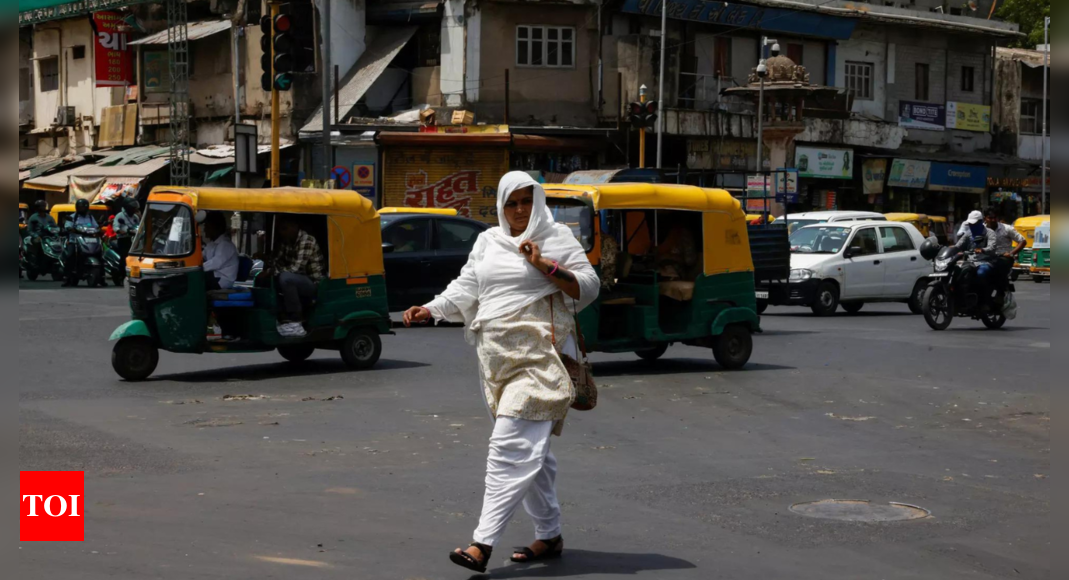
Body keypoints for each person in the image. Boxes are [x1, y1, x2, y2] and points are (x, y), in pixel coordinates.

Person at [403, 172, 599, 575]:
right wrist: (432, 309)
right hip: (495, 358)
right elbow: (468, 286)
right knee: (534, 451)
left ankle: (482, 543)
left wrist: (544, 265)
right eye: (512, 202)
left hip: (541, 356)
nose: (520, 210)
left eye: (527, 201)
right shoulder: (488, 241)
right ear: (501, 206)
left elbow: (589, 286)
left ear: (538, 202)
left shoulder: (557, 236)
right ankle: (550, 534)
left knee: (509, 445)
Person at [262, 217, 324, 338]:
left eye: (285, 229)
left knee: (286, 278)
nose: (282, 232)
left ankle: (296, 318)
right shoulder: (287, 241)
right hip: (298, 280)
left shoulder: (307, 240)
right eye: (280, 229)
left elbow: (296, 268)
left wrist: (271, 271)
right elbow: (277, 262)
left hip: (312, 282)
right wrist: (266, 263)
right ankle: (280, 315)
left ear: (295, 227)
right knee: (267, 279)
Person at [954, 210, 997, 306]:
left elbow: (992, 247)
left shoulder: (989, 233)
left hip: (985, 261)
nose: (972, 226)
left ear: (981, 222)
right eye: (970, 224)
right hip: (970, 261)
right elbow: (958, 245)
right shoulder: (968, 233)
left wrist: (982, 250)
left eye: (974, 224)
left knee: (981, 273)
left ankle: (984, 300)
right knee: (957, 272)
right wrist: (948, 249)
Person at [984, 208, 1026, 295]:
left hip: (1003, 257)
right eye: (990, 218)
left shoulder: (1007, 228)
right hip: (985, 257)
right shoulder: (981, 229)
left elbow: (1022, 241)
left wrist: (1011, 254)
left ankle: (1001, 293)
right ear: (985, 218)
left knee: (999, 267)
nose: (993, 220)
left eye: (995, 218)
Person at [202, 212, 239, 291]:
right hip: (214, 276)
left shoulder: (225, 244)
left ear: (216, 228)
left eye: (207, 227)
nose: (204, 229)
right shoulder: (212, 244)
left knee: (194, 282)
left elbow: (216, 263)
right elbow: (201, 256)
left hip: (222, 280)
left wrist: (197, 268)